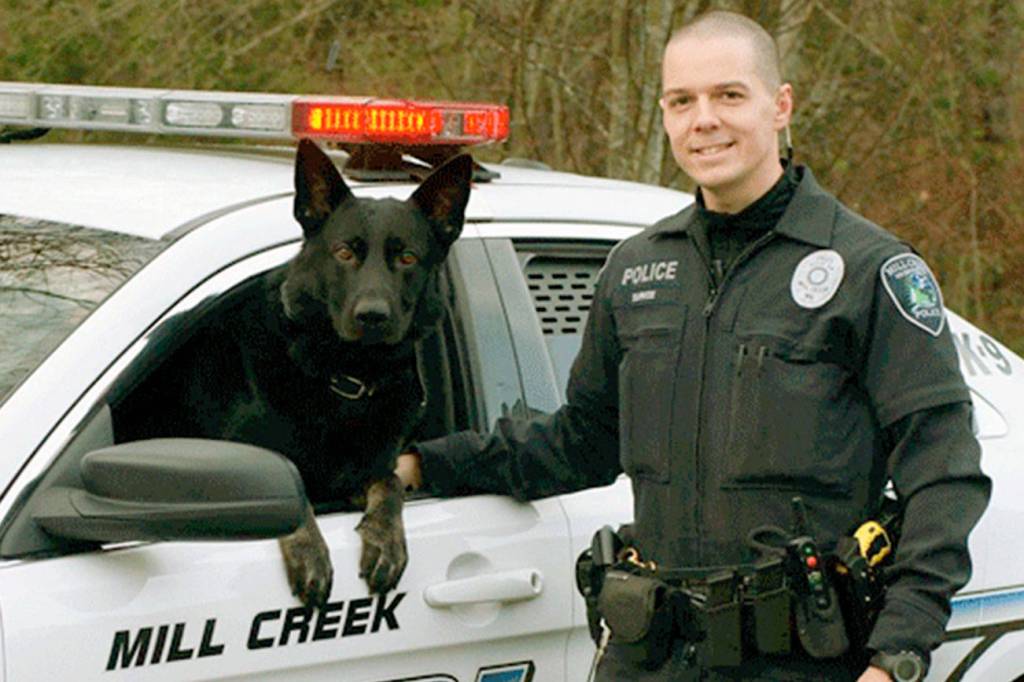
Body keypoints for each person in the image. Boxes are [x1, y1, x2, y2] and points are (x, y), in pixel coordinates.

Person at [396, 10, 990, 681]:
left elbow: (943, 472)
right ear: (665, 114)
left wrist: (899, 654)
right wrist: (422, 464)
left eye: (729, 95)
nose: (704, 120)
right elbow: (582, 441)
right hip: (652, 654)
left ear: (780, 105)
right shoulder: (634, 269)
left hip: (801, 660)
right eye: (682, 101)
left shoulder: (867, 269)